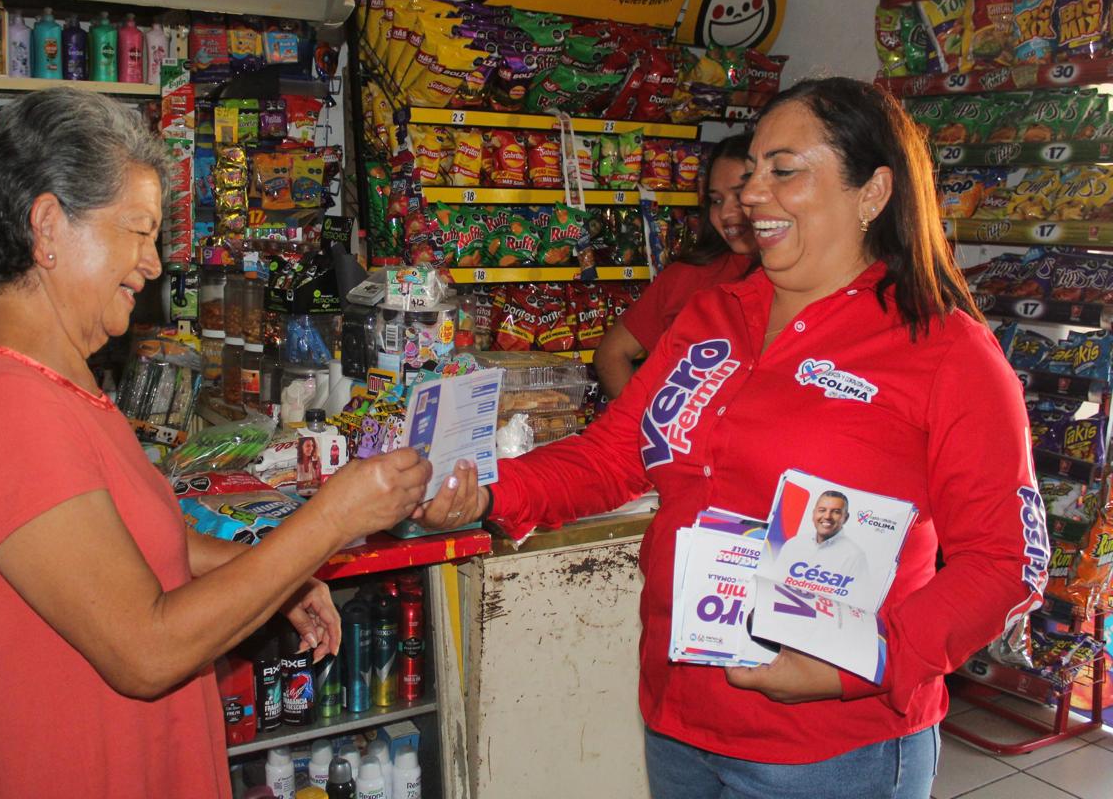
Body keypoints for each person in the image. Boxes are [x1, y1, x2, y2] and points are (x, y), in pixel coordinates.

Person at [423, 77, 1048, 799]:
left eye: (783, 170)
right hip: (680, 716)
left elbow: (1006, 561)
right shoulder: (711, 316)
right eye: (752, 170)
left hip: (833, 748)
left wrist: (867, 656)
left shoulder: (946, 350)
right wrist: (485, 493)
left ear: (873, 192)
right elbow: (613, 454)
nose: (751, 193)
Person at [0, 89, 463, 798]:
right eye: (138, 232)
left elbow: (139, 543)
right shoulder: (0, 407)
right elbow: (145, 650)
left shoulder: (55, 382)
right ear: (48, 226)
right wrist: (332, 518)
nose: (151, 265)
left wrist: (275, 578)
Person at [594, 135, 757, 398]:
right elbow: (611, 354)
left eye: (740, 196)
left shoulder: (799, 279)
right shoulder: (688, 275)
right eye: (716, 200)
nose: (726, 213)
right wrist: (642, 420)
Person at [768, 490, 871, 600]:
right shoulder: (793, 544)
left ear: (845, 518)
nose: (827, 516)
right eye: (822, 510)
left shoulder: (855, 556)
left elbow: (857, 600)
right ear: (814, 514)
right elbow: (772, 583)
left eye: (836, 512)